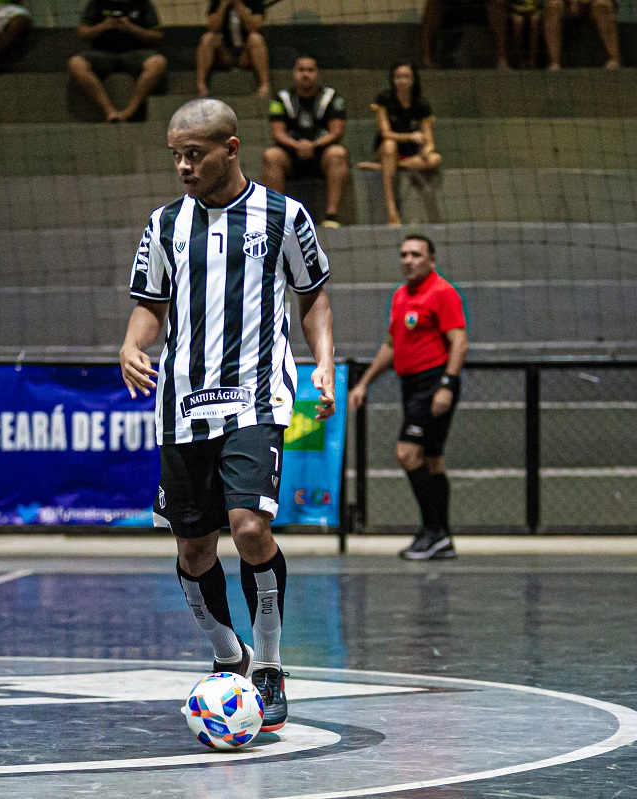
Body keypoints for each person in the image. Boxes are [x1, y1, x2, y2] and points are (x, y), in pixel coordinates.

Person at [120, 98, 336, 731]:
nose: (184, 166)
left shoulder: (284, 215)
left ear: (231, 148)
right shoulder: (163, 226)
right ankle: (227, 656)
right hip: (182, 404)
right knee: (193, 548)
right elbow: (148, 307)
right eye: (176, 156)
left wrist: (322, 363)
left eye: (195, 154)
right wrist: (131, 344)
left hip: (257, 395)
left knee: (247, 528)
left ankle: (267, 667)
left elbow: (314, 296)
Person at [348, 234, 468, 560]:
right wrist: (363, 384)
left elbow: (459, 342)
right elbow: (391, 345)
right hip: (411, 385)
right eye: (403, 254)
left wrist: (448, 384)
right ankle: (440, 536)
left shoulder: (442, 293)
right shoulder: (401, 296)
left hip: (433, 383)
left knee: (407, 453)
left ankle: (433, 532)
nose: (408, 260)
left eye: (416, 254)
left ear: (431, 260)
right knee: (431, 461)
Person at [261, 55, 349, 230]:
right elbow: (277, 133)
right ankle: (278, 217)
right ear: (294, 73)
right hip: (291, 155)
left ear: (317, 73)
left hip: (320, 154)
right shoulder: (280, 99)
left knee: (338, 153)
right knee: (271, 155)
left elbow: (336, 131)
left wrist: (313, 145)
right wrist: (298, 145)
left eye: (310, 70)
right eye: (301, 70)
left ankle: (331, 215)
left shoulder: (332, 98)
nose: (305, 74)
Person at [355, 62, 442, 228]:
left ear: (414, 79)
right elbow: (385, 133)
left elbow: (430, 141)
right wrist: (410, 136)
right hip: (386, 150)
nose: (402, 81)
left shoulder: (421, 104)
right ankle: (392, 211)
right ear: (393, 79)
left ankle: (384, 167)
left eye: (406, 76)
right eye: (398, 77)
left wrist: (426, 150)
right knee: (389, 145)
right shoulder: (385, 100)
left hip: (410, 154)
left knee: (435, 158)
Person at [68, 0, 167, 123]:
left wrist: (131, 28)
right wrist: (104, 26)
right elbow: (82, 33)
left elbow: (157, 36)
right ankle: (109, 111)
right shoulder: (96, 3)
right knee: (76, 63)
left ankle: (128, 112)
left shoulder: (144, 3)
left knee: (158, 62)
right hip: (101, 53)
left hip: (136, 52)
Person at [195, 0, 271, 99]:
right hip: (225, 54)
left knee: (256, 38)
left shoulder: (254, 2)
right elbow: (212, 28)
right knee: (207, 38)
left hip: (247, 53)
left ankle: (265, 85)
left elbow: (254, 27)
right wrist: (223, 5)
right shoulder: (218, 1)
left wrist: (240, 7)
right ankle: (201, 86)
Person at [420, 0, 509, 70]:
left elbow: (498, 25)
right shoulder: (439, 3)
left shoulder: (490, 3)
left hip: (479, 45)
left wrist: (501, 57)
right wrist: (427, 55)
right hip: (450, 45)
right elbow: (429, 23)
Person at [543, 0, 620, 70]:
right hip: (567, 5)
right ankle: (554, 62)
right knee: (553, 6)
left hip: (593, 4)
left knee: (602, 5)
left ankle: (614, 59)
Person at [509, 0, 542, 69]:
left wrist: (534, 8)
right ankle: (520, 60)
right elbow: (508, 3)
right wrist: (516, 8)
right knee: (518, 22)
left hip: (535, 10)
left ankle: (532, 60)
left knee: (535, 20)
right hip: (515, 10)